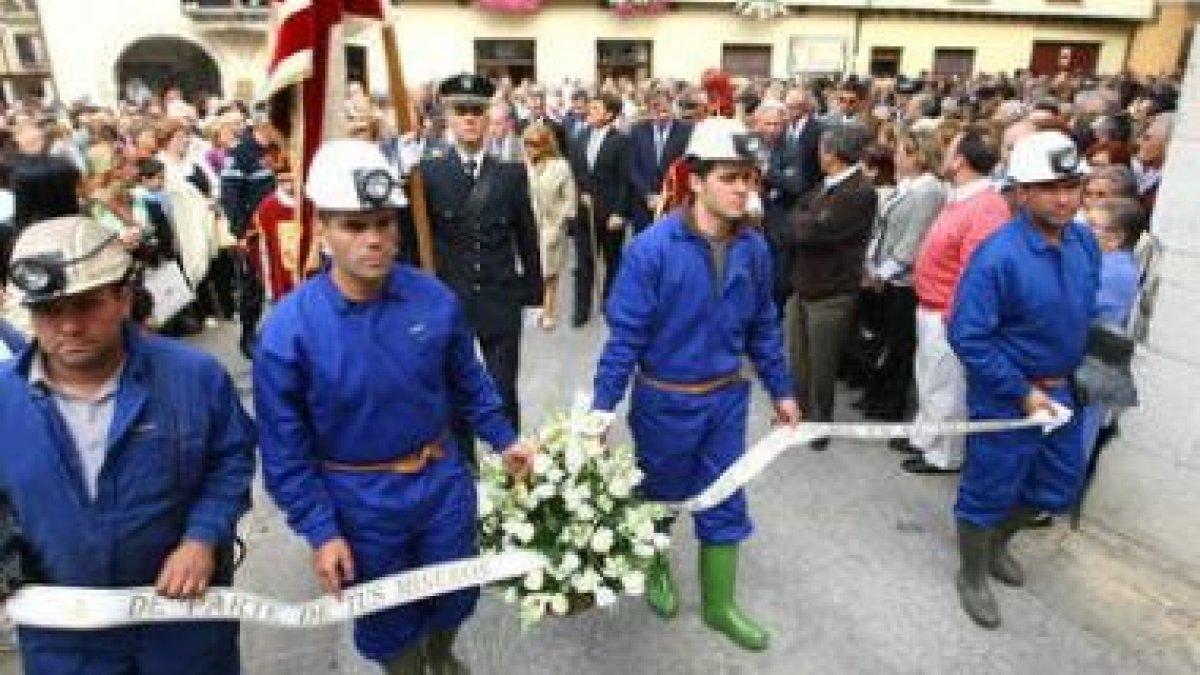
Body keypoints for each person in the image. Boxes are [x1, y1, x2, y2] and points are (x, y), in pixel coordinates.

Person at [253, 138, 534, 675]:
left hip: (441, 481)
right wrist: (321, 530)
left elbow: (468, 381)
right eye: (355, 226)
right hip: (360, 502)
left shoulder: (434, 298)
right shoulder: (288, 332)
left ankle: (442, 653)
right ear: (324, 230)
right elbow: (286, 454)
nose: (374, 239)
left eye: (384, 223)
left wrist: (504, 438)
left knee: (455, 587)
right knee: (386, 617)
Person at [0, 215, 255, 673]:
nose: (69, 326)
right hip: (65, 641)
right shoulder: (3, 399)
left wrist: (201, 539)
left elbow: (231, 462)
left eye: (85, 305)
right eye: (50, 310)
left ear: (123, 297)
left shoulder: (193, 378)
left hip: (184, 628)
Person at [590, 117, 800, 652]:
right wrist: (600, 410)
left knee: (726, 500)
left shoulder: (754, 249)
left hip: (727, 400)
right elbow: (625, 339)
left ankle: (720, 606)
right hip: (665, 402)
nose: (743, 189)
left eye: (749, 179)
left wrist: (782, 390)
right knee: (660, 498)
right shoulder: (652, 250)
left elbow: (762, 328)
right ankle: (656, 565)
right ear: (695, 179)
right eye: (730, 177)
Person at [947, 131, 1101, 630]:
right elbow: (968, 336)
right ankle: (972, 573)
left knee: (1057, 486)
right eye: (1049, 187)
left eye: (1072, 184)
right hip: (1008, 393)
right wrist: (1022, 391)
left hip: (1061, 390)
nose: (1063, 197)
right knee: (989, 488)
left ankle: (996, 544)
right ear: (1022, 192)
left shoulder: (1083, 242)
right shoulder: (998, 255)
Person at [419, 73, 542, 456]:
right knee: (455, 393)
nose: (470, 119)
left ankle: (512, 474)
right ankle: (466, 472)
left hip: (499, 297)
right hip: (451, 299)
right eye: (461, 112)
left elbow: (526, 236)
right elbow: (416, 242)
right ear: (447, 118)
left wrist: (533, 294)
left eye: (477, 111)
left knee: (504, 392)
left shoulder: (510, 175)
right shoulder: (427, 174)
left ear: (489, 118)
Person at [898, 127, 1009, 473]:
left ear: (960, 159)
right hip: (930, 304)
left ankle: (944, 454)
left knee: (946, 386)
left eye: (950, 149)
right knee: (929, 379)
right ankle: (925, 437)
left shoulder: (987, 206)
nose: (943, 154)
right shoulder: (961, 196)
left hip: (948, 311)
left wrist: (953, 316)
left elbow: (973, 270)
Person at [786, 122, 877, 451]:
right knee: (798, 360)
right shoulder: (827, 185)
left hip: (831, 292)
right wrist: (806, 219)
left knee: (821, 365)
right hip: (804, 285)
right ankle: (799, 416)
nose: (817, 154)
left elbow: (809, 231)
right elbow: (800, 215)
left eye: (822, 148)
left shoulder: (859, 191)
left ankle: (818, 426)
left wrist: (805, 220)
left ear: (833, 153)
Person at [857, 130, 947, 421]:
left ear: (918, 156)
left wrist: (882, 273)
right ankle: (876, 396)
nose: (895, 157)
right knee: (881, 340)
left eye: (901, 152)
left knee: (898, 347)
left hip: (903, 281)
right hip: (885, 274)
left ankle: (890, 405)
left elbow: (913, 240)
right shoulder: (906, 186)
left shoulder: (930, 190)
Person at [569, 92, 631, 327]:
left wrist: (620, 213)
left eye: (595, 108)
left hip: (610, 214)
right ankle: (581, 309)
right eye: (591, 108)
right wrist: (580, 192)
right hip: (585, 212)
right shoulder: (581, 137)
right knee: (583, 263)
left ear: (610, 114)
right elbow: (576, 170)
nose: (590, 112)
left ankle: (610, 302)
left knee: (613, 261)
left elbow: (626, 180)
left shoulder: (622, 141)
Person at [523, 122, 577, 330]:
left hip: (551, 226)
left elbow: (569, 200)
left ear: (545, 144)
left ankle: (548, 310)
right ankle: (534, 305)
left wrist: (559, 222)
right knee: (531, 266)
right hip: (528, 225)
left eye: (535, 144)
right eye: (526, 143)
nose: (530, 148)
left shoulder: (561, 166)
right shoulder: (522, 166)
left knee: (550, 272)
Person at [628, 90, 691, 233]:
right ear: (649, 109)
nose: (661, 113)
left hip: (675, 204)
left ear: (672, 106)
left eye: (665, 108)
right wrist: (647, 195)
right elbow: (632, 167)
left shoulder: (687, 130)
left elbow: (689, 165)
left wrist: (667, 196)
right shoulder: (637, 130)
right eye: (655, 108)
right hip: (643, 205)